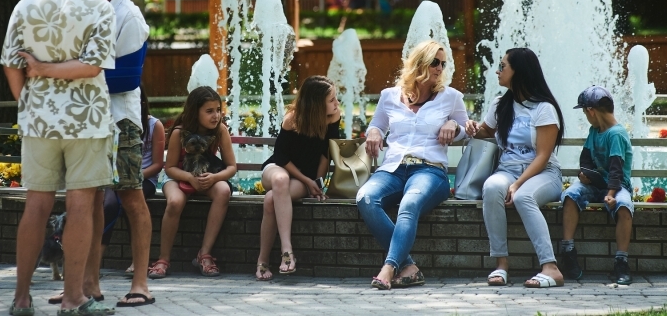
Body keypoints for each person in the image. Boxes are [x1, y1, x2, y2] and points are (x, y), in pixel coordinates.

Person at [1, 0, 117, 316]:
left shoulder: (26, 3)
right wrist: (53, 71)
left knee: (36, 205)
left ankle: (21, 298)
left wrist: (28, 98)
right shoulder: (101, 7)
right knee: (81, 207)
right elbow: (93, 66)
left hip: (39, 120)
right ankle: (73, 299)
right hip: (87, 120)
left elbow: (10, 62)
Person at [77, 0, 153, 307]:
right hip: (91, 118)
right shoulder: (88, 9)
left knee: (131, 198)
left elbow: (126, 79)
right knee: (88, 199)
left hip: (121, 121)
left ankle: (141, 284)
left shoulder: (130, 17)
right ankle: (87, 283)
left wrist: (72, 77)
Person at [357, 40, 468, 290]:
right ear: (419, 63)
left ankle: (388, 268)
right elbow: (376, 124)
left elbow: (467, 130)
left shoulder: (451, 97)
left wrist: (455, 126)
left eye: (443, 63)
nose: (440, 68)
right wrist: (374, 132)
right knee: (365, 198)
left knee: (409, 203)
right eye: (435, 62)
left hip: (430, 171)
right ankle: (407, 266)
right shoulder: (389, 96)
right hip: (393, 168)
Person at [465, 48, 566, 288]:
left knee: (523, 197)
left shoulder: (544, 109)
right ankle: (501, 265)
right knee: (491, 187)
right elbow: (487, 131)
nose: (497, 71)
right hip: (507, 170)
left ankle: (551, 268)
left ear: (518, 72)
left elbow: (542, 156)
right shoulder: (501, 104)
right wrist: (471, 127)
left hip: (544, 173)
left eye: (503, 66)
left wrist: (518, 184)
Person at [255, 76, 341, 281]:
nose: (336, 104)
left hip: (304, 179)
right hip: (278, 169)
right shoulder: (292, 119)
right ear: (316, 103)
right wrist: (306, 179)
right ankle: (287, 251)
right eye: (331, 100)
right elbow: (281, 157)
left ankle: (262, 260)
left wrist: (316, 183)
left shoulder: (333, 117)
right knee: (280, 182)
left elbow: (325, 155)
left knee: (270, 200)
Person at [148, 86, 237, 278]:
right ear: (195, 112)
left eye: (218, 110)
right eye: (209, 111)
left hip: (207, 175)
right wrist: (189, 178)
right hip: (179, 174)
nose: (216, 116)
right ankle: (163, 259)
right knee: (175, 202)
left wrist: (214, 178)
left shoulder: (220, 130)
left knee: (223, 191)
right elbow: (170, 167)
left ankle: (204, 254)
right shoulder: (180, 132)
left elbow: (231, 167)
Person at [560, 86, 634, 285]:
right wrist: (584, 174)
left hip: (617, 186)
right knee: (570, 195)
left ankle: (621, 262)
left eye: (584, 112)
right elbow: (586, 159)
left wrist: (611, 194)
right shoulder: (594, 131)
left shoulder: (616, 134)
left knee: (624, 207)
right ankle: (567, 251)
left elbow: (617, 168)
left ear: (591, 110)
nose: (585, 116)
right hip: (596, 184)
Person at [111, 88, 165, 274]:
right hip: (118, 178)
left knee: (131, 201)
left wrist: (136, 176)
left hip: (145, 179)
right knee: (108, 203)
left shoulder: (154, 125)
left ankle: (138, 261)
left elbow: (158, 164)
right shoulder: (115, 122)